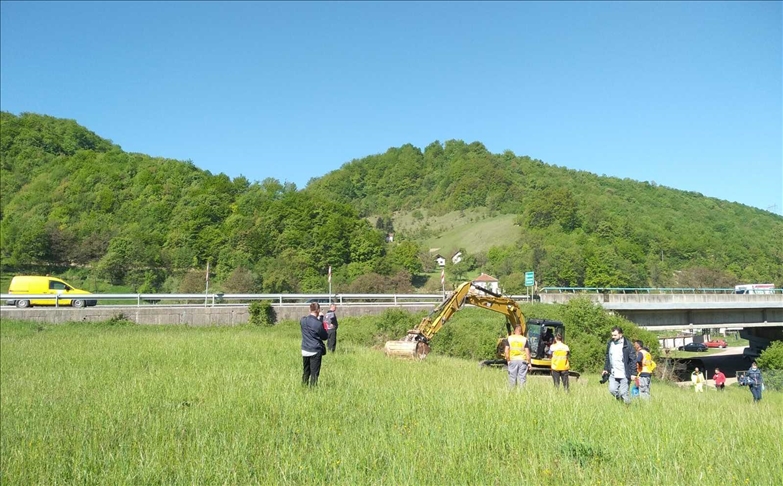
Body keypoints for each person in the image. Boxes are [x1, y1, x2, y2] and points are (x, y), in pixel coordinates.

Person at [602, 326, 635, 404]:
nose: (613, 337)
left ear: (621, 334)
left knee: (624, 393)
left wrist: (633, 373)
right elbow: (608, 357)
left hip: (624, 374)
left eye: (615, 335)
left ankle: (627, 408)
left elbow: (633, 359)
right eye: (612, 335)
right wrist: (606, 368)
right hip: (613, 373)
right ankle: (621, 402)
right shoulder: (610, 343)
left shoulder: (628, 345)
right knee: (612, 390)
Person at [300, 302, 328, 387]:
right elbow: (324, 336)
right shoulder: (318, 323)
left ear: (309, 309)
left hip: (305, 349)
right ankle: (313, 390)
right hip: (315, 350)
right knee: (314, 373)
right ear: (318, 310)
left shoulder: (303, 320)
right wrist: (321, 317)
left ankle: (304, 386)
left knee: (306, 371)